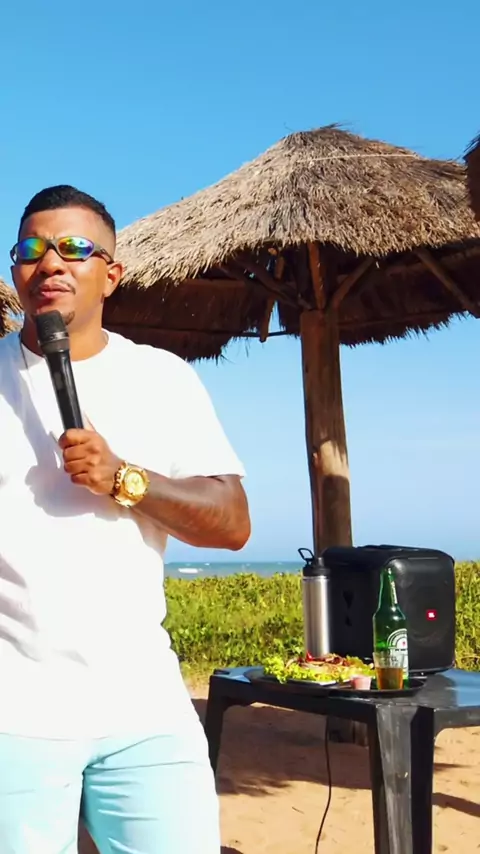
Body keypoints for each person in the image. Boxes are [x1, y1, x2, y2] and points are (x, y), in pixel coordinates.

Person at [0, 185, 251, 854]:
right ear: (15, 271)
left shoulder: (162, 378)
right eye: (31, 249)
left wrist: (125, 479)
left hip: (144, 708)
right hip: (12, 714)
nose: (50, 263)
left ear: (111, 274)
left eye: (74, 248)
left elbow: (231, 523)